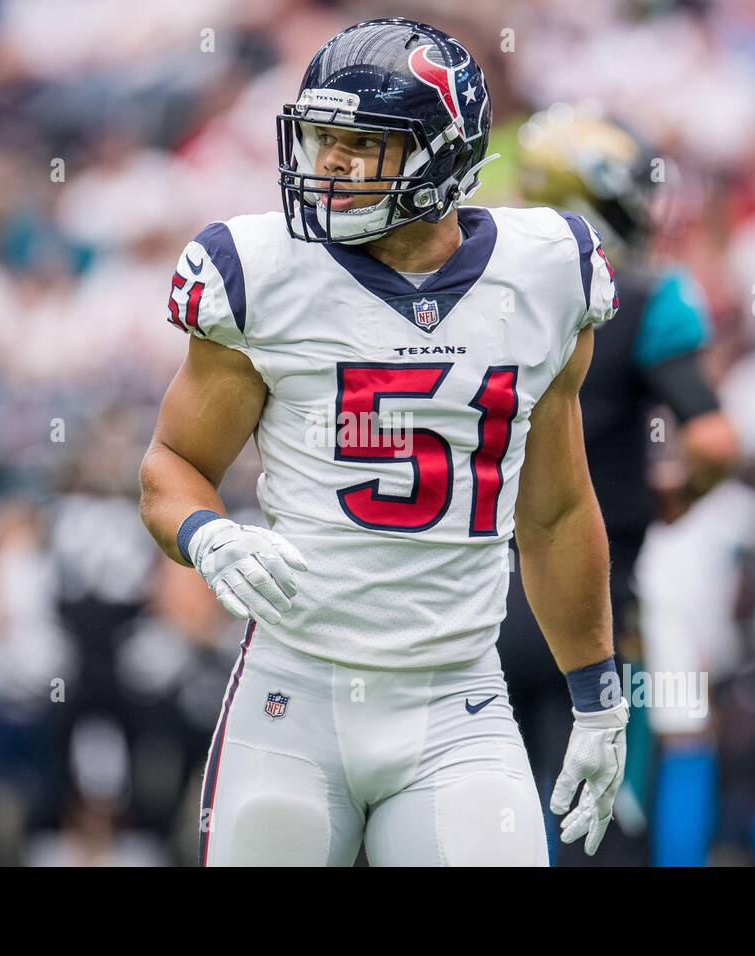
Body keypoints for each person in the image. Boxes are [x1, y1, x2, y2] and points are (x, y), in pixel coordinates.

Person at [139, 17, 625, 866]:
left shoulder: (546, 273)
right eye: (321, 137)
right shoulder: (262, 272)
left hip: (457, 699)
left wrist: (597, 696)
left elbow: (553, 511)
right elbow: (172, 466)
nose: (326, 163)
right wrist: (204, 531)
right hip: (292, 691)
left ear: (442, 158)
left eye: (359, 145)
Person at [500, 110, 739, 864]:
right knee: (602, 817)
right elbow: (714, 441)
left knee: (462, 814)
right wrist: (676, 499)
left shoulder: (474, 290)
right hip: (587, 601)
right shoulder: (644, 295)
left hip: (468, 597)